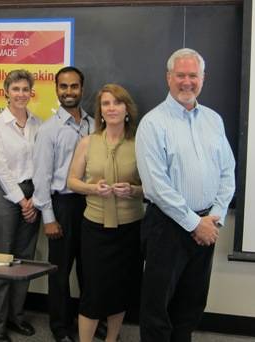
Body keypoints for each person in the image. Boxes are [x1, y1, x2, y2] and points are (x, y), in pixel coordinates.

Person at [135, 48, 236, 342]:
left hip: (208, 226)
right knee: (158, 309)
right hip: (167, 227)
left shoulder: (214, 120)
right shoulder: (153, 123)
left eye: (193, 75)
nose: (187, 82)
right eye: (181, 75)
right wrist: (195, 223)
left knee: (191, 305)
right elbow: (156, 186)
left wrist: (213, 218)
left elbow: (228, 172)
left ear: (203, 78)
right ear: (169, 78)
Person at [68, 83, 144, 342]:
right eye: (106, 104)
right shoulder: (88, 142)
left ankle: (112, 339)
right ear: (100, 111)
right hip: (95, 228)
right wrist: (92, 188)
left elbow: (154, 188)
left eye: (117, 103)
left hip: (129, 229)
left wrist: (133, 191)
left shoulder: (140, 144)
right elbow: (72, 182)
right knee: (93, 292)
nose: (111, 108)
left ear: (127, 109)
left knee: (120, 290)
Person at [32, 66, 95, 342]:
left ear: (82, 88)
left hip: (92, 205)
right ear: (56, 90)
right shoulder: (49, 130)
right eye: (63, 87)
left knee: (90, 269)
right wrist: (48, 217)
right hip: (63, 206)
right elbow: (41, 176)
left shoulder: (94, 125)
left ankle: (88, 321)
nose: (69, 92)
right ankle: (60, 326)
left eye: (74, 86)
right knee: (60, 272)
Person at [0, 69, 41, 342]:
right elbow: (2, 169)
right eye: (15, 89)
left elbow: (42, 164)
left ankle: (15, 317)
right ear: (6, 92)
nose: (20, 94)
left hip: (33, 195)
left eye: (25, 89)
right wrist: (22, 201)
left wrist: (34, 200)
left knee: (23, 261)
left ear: (32, 92)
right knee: (1, 261)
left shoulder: (38, 124)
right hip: (6, 197)